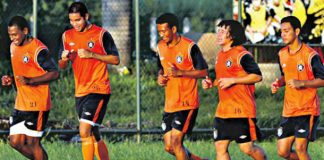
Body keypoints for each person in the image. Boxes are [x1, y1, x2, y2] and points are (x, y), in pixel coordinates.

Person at [58, 2, 119, 160]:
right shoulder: (67, 36)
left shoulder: (101, 34)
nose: (75, 24)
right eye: (71, 21)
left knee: (84, 131)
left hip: (98, 88)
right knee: (94, 133)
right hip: (80, 90)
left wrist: (92, 54)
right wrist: (64, 59)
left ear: (86, 16)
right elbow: (62, 66)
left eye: (78, 20)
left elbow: (115, 59)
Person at [202, 20, 267, 160]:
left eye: (222, 31)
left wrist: (233, 81)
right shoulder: (220, 56)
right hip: (223, 110)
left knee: (247, 148)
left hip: (241, 110)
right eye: (218, 30)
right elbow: (224, 79)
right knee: (220, 147)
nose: (218, 34)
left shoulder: (241, 55)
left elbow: (257, 76)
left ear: (232, 36)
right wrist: (211, 84)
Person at [1, 15, 59, 160]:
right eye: (10, 35)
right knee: (15, 141)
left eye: (15, 34)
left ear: (25, 31)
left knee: (34, 143)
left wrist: (31, 80)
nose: (12, 38)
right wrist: (11, 80)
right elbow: (23, 72)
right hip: (21, 102)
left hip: (37, 103)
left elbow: (54, 73)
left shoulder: (38, 50)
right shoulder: (13, 46)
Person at [156, 13, 208, 160]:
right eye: (159, 31)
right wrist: (160, 76)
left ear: (173, 29)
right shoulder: (160, 47)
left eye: (164, 31)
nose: (162, 35)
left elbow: (204, 71)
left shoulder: (190, 47)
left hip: (187, 102)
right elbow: (160, 67)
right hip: (170, 104)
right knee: (169, 146)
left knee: (176, 142)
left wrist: (180, 72)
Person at [271, 16, 324, 160]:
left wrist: (302, 83)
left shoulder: (310, 55)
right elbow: (287, 77)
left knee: (301, 148)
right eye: (281, 31)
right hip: (289, 110)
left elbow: (322, 79)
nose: (283, 34)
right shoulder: (281, 54)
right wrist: (278, 83)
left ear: (297, 31)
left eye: (286, 31)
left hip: (307, 109)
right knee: (283, 152)